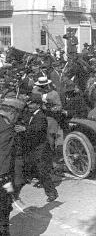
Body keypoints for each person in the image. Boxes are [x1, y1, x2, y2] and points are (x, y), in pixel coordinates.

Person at [14, 95, 58, 202]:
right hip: (30, 148)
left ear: (38, 105)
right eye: (29, 103)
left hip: (40, 148)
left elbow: (39, 129)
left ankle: (52, 193)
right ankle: (15, 193)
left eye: (32, 103)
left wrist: (25, 128)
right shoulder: (29, 114)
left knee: (42, 171)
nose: (29, 105)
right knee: (24, 170)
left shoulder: (41, 116)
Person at [0, 98, 25, 236]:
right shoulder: (8, 129)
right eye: (17, 115)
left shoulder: (10, 128)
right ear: (12, 113)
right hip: (3, 178)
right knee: (3, 207)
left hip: (6, 179)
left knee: (6, 203)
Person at [33, 76, 62, 151]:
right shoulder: (36, 92)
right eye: (41, 86)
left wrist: (50, 109)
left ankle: (52, 151)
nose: (43, 87)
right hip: (39, 115)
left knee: (50, 134)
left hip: (50, 116)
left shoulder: (53, 93)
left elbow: (59, 106)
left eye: (44, 86)